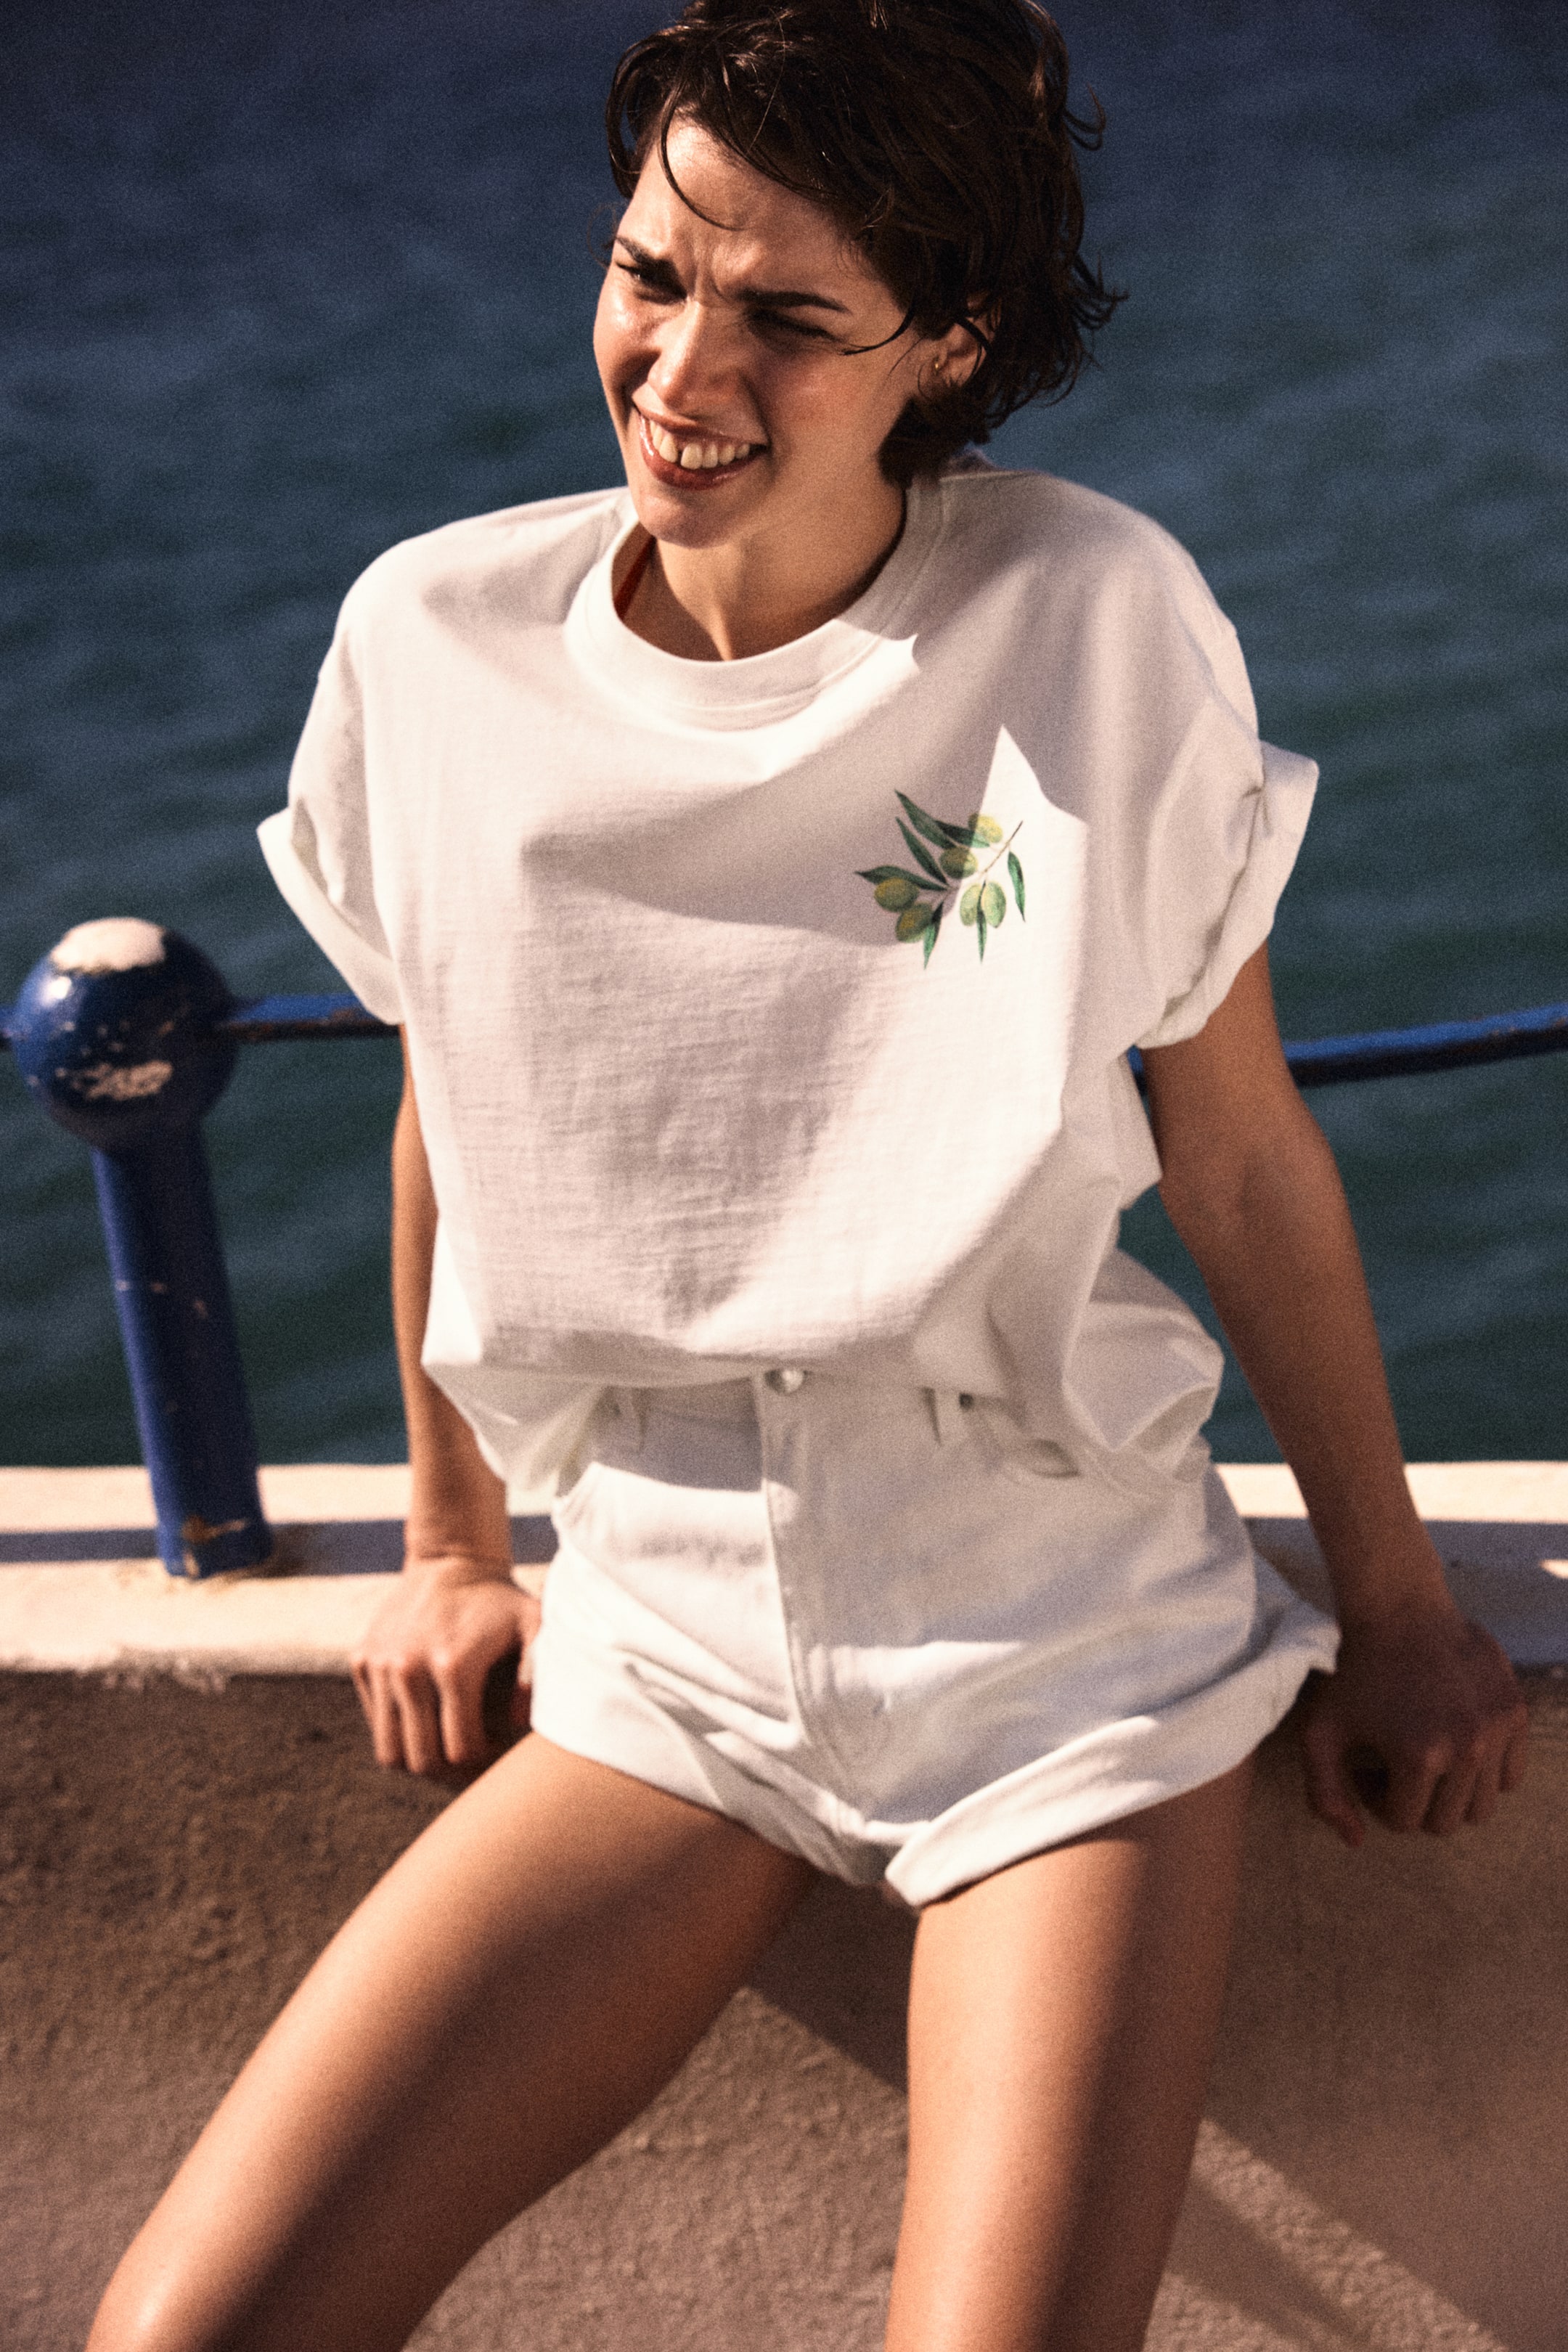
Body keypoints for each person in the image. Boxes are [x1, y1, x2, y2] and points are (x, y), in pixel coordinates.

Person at [89, 3, 1528, 2347]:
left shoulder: (1091, 615)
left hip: (1063, 1657)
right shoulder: (429, 646)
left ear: (947, 341)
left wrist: (1395, 1607)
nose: (682, 368)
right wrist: (452, 1546)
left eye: (786, 315)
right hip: (656, 1652)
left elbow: (1243, 1153)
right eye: (652, 272)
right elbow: (452, 1098)